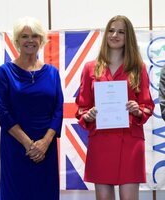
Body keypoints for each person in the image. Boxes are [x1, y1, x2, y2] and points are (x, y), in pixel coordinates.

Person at [75, 15, 154, 200]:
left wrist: (138, 109)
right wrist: (88, 115)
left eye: (121, 32)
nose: (114, 35)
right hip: (101, 140)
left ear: (129, 37)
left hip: (130, 141)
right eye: (111, 30)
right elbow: (82, 106)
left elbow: (148, 105)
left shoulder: (138, 67)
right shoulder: (90, 68)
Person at [0, 16, 63, 200]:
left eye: (34, 35)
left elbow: (58, 110)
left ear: (41, 40)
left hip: (46, 148)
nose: (30, 40)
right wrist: (29, 145)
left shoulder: (52, 73)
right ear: (17, 41)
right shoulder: (5, 72)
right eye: (24, 36)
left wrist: (45, 143)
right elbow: (3, 112)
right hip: (16, 146)